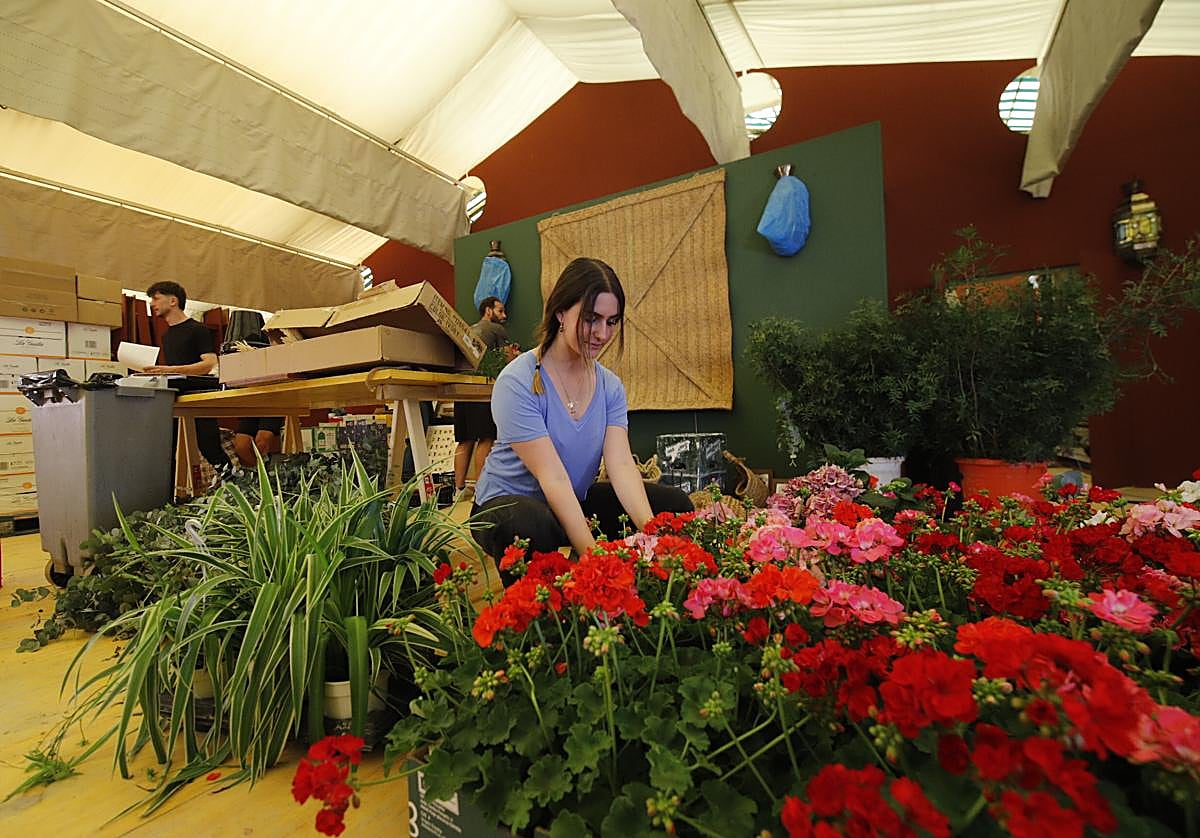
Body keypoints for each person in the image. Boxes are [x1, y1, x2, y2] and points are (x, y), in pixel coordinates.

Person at [471, 258, 692, 561]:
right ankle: (539, 600)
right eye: (591, 319)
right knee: (528, 524)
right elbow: (553, 477)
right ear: (560, 311)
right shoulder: (517, 381)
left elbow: (622, 467)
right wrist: (593, 556)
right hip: (509, 507)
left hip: (572, 501)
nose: (602, 333)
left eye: (612, 321)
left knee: (673, 506)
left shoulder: (610, 386)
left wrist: (653, 534)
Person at [143, 280, 228, 471]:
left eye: (156, 298)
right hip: (175, 397)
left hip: (199, 397)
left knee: (210, 448)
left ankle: (236, 486)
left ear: (173, 301)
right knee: (169, 449)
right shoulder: (167, 336)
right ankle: (172, 497)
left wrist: (171, 370)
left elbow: (210, 363)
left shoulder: (198, 329)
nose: (151, 303)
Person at [453, 296, 511, 493]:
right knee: (486, 438)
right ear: (488, 311)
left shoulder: (468, 329)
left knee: (465, 439)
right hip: (481, 387)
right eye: (500, 311)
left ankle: (458, 488)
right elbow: (506, 358)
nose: (504, 315)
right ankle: (481, 489)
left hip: (460, 387)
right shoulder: (496, 329)